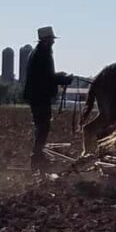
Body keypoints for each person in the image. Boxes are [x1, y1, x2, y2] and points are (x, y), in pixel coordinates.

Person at [22, 26, 73, 171]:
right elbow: (46, 78)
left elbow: (46, 75)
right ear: (45, 40)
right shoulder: (42, 54)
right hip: (40, 96)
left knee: (42, 127)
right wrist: (63, 79)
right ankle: (37, 158)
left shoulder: (38, 53)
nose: (53, 42)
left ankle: (38, 157)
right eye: (51, 39)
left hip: (37, 96)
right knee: (43, 127)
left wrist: (60, 76)